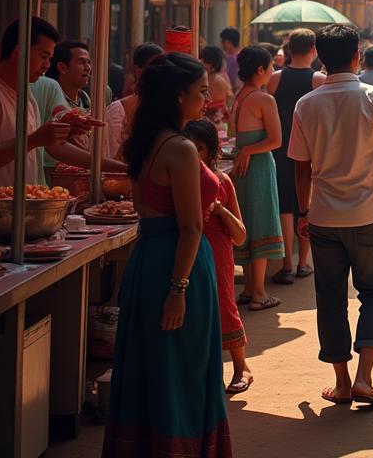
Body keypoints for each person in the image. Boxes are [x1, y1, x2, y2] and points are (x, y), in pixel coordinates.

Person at [103, 53, 230, 458]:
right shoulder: (180, 148)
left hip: (152, 259)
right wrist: (179, 288)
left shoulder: (147, 140)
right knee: (183, 373)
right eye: (201, 91)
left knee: (152, 369)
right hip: (180, 265)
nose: (207, 99)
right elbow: (191, 228)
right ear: (179, 96)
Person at [289, 24, 373, 409]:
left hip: (324, 216)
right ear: (356, 55)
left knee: (330, 296)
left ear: (322, 58)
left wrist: (303, 211)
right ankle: (364, 378)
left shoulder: (307, 104)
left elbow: (301, 168)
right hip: (369, 213)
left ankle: (342, 382)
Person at [184, 118, 253, 396]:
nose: (193, 153)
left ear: (211, 152)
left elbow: (240, 235)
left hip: (217, 252)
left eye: (199, 148)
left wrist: (221, 211)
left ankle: (241, 367)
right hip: (187, 250)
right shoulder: (177, 179)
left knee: (224, 304)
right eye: (189, 147)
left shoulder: (221, 182)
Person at [269, 29, 325, 285]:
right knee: (306, 205)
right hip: (309, 148)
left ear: (289, 49)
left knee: (285, 205)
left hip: (280, 147)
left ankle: (287, 265)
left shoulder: (275, 78)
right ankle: (303, 263)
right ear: (314, 50)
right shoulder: (318, 79)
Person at [230, 46, 285, 311]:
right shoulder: (263, 99)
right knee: (261, 222)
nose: (273, 71)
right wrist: (251, 150)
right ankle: (260, 293)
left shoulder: (239, 97)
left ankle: (251, 287)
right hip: (259, 165)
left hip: (243, 165)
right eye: (271, 66)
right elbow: (276, 140)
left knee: (247, 223)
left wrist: (246, 150)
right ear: (260, 70)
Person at [0, 18, 81, 186]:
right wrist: (33, 140)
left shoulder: (27, 95)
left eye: (50, 58)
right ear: (18, 52)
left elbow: (53, 146)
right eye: (44, 56)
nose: (47, 65)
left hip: (23, 206)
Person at [31, 39, 127, 179]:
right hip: (54, 172)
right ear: (62, 67)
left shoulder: (86, 99)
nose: (88, 67)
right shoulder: (49, 89)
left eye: (89, 62)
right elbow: (57, 143)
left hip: (83, 171)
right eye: (81, 62)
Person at [105, 43, 164, 160]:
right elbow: (111, 156)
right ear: (138, 71)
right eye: (156, 66)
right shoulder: (118, 110)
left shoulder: (168, 105)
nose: (162, 72)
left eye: (164, 66)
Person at [200, 46, 233, 125]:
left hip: (206, 124)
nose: (200, 62)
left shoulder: (203, 80)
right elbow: (229, 100)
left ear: (210, 64)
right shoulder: (224, 79)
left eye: (203, 60)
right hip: (220, 123)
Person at [220, 27, 241, 92]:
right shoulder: (242, 55)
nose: (221, 44)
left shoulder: (229, 59)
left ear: (227, 42)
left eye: (222, 42)